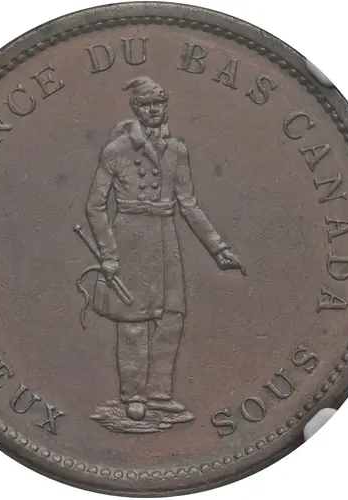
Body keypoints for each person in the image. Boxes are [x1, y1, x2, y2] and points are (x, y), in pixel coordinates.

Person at [85, 76, 245, 421]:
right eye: (146, 104)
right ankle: (133, 395)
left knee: (172, 316)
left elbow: (188, 204)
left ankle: (159, 393)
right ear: (135, 108)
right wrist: (109, 254)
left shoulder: (177, 151)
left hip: (165, 236)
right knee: (132, 320)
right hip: (129, 237)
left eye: (159, 103)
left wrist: (217, 248)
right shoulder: (116, 151)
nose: (154, 110)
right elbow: (95, 206)